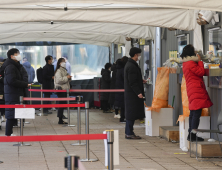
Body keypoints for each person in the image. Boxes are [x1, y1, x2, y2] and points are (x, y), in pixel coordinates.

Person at [181, 44, 213, 142]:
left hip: (193, 89)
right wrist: (200, 61)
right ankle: (192, 135)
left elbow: (199, 72)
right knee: (196, 114)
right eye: (194, 51)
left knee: (193, 113)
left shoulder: (186, 63)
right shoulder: (191, 63)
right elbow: (200, 72)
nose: (196, 52)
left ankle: (191, 134)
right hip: (196, 89)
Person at [0, 48, 30, 136]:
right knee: (10, 114)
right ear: (12, 56)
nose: (19, 55)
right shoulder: (10, 67)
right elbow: (11, 80)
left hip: (15, 93)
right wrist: (25, 84)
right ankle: (8, 133)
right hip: (12, 93)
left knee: (13, 113)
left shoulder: (15, 65)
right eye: (17, 54)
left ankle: (9, 133)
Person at [124, 47, 147, 139]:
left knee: (131, 114)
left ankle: (129, 132)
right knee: (131, 114)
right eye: (139, 54)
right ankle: (129, 133)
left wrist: (140, 81)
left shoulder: (130, 64)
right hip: (132, 94)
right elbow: (132, 82)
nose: (139, 56)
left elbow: (133, 79)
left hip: (130, 94)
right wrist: (138, 92)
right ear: (135, 55)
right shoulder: (132, 66)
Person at [54, 58, 72, 124]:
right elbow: (59, 80)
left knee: (63, 105)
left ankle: (61, 118)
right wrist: (67, 78)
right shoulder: (58, 71)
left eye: (65, 62)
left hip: (65, 89)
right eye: (63, 62)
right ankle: (60, 119)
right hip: (61, 89)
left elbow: (67, 80)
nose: (64, 63)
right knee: (61, 105)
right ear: (59, 63)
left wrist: (69, 78)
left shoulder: (64, 70)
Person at [114, 56, 128, 123]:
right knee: (123, 105)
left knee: (121, 104)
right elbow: (125, 79)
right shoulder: (123, 70)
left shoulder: (118, 69)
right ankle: (122, 118)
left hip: (119, 88)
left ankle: (122, 117)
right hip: (122, 88)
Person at [0, 59, 6, 126]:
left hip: (2, 90)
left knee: (2, 103)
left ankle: (2, 115)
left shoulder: (3, 70)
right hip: (2, 90)